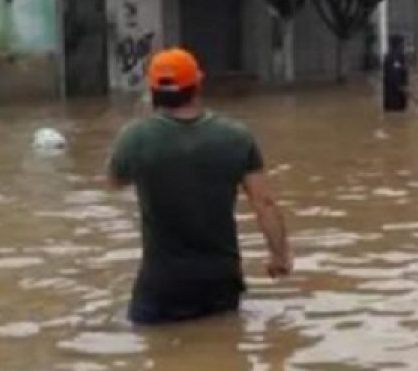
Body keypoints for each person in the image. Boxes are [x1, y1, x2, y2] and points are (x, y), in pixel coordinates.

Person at [108, 48, 292, 326]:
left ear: (152, 91)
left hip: (161, 286)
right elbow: (264, 203)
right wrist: (280, 256)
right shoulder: (236, 137)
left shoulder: (134, 137)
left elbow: (116, 181)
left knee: (155, 360)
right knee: (225, 353)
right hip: (220, 282)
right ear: (198, 84)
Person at [382, 34, 410, 112]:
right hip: (395, 96)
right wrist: (403, 88)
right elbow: (394, 75)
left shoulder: (393, 56)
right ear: (398, 45)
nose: (404, 46)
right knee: (396, 115)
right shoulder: (394, 58)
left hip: (394, 95)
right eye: (403, 44)